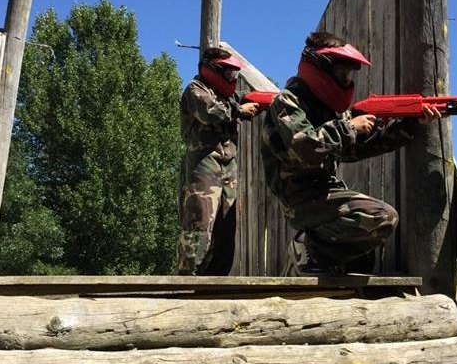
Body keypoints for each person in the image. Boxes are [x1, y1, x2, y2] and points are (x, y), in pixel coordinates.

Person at [261, 32, 441, 275]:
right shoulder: (287, 102)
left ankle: (315, 257)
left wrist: (410, 125)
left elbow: (357, 149)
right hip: (299, 197)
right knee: (381, 217)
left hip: (325, 192)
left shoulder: (327, 112)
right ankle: (306, 247)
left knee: (360, 261)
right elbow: (304, 147)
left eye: (349, 74)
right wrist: (350, 127)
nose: (346, 80)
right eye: (342, 73)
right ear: (318, 66)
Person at [177, 47, 259, 275]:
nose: (232, 78)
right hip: (203, 165)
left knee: (226, 224)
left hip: (228, 166)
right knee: (199, 223)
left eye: (235, 74)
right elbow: (209, 112)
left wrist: (255, 104)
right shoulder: (195, 89)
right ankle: (186, 283)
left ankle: (218, 281)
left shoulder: (228, 97)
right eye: (229, 73)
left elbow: (233, 105)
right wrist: (239, 109)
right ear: (212, 69)